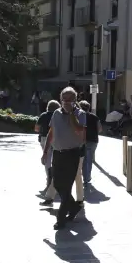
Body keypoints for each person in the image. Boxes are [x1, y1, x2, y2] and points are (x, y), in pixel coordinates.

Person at [41, 87, 87, 229]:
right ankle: (73, 207)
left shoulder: (80, 114)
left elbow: (78, 129)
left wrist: (71, 113)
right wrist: (46, 151)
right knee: (57, 184)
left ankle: (61, 220)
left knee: (66, 187)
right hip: (57, 154)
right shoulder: (56, 113)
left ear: (75, 101)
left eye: (70, 99)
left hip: (72, 154)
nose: (66, 102)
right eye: (64, 99)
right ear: (60, 100)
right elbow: (51, 131)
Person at [36, 100, 59, 191]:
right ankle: (54, 178)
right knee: (56, 158)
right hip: (57, 138)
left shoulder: (43, 115)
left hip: (45, 138)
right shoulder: (58, 115)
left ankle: (49, 178)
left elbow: (36, 128)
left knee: (47, 159)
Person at [79, 100, 102, 185]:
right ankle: (87, 177)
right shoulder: (94, 117)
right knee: (89, 159)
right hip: (93, 140)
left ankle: (84, 177)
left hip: (81, 140)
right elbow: (99, 129)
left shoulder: (79, 116)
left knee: (83, 159)